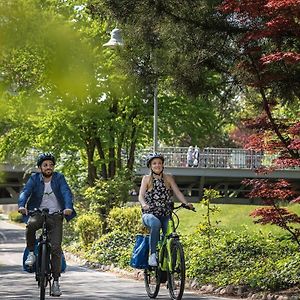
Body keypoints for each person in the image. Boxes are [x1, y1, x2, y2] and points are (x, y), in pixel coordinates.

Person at [18, 152, 76, 297]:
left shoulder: (59, 178)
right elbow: (25, 192)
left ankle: (56, 283)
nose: (48, 167)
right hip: (37, 213)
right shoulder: (34, 178)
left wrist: (68, 207)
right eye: (45, 165)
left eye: (51, 165)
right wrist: (22, 205)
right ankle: (31, 253)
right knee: (30, 225)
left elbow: (66, 192)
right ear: (40, 168)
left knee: (56, 247)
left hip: (56, 215)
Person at [138, 152, 194, 266]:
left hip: (165, 213)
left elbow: (177, 192)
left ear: (163, 165)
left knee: (170, 232)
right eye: (154, 163)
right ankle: (152, 255)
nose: (157, 165)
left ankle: (168, 260)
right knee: (155, 223)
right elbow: (141, 196)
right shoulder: (146, 179)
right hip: (150, 213)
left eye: (159, 163)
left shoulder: (168, 178)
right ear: (150, 166)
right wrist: (144, 204)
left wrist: (186, 203)